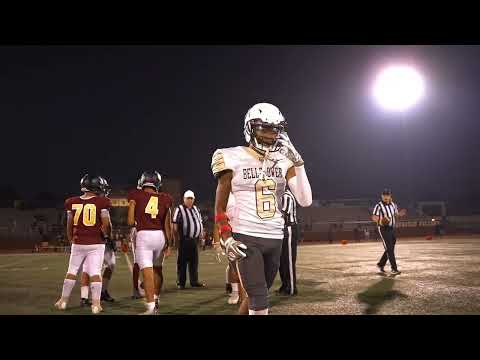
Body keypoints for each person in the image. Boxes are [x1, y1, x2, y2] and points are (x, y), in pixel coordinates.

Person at [211, 102, 312, 315]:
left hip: (275, 237)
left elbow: (305, 200)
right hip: (246, 235)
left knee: (259, 295)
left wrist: (299, 162)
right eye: (264, 128)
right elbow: (220, 206)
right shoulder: (230, 156)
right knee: (259, 297)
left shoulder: (284, 160)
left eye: (275, 130)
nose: (270, 135)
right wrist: (226, 236)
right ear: (250, 128)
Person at [55, 174, 112, 314]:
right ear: (96, 186)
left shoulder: (71, 201)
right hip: (96, 243)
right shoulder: (102, 202)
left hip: (78, 242)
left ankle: (63, 300)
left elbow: (68, 224)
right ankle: (96, 305)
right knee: (95, 273)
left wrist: (71, 239)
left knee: (72, 270)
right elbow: (106, 224)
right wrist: (106, 235)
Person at [127, 171, 173, 315]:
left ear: (142, 182)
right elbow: (168, 225)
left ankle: (151, 308)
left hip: (144, 236)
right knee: (158, 270)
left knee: (147, 273)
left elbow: (129, 221)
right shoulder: (165, 198)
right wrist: (169, 244)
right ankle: (156, 298)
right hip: (160, 236)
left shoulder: (135, 195)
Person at [79, 176, 117, 306]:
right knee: (94, 267)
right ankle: (89, 296)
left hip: (84, 238)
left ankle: (91, 295)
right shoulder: (102, 202)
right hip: (98, 239)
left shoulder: (78, 201)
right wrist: (109, 237)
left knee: (106, 265)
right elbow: (107, 224)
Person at [172, 190, 206, 289]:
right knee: (182, 262)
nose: (190, 200)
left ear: (194, 199)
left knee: (194, 262)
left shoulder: (196, 209)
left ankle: (194, 281)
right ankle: (181, 282)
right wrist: (176, 239)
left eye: (191, 198)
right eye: (188, 198)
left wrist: (201, 235)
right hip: (184, 239)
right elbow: (174, 224)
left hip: (194, 240)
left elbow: (200, 222)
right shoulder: (179, 209)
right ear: (184, 199)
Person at [372, 188, 407, 276]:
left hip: (392, 228)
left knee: (390, 248)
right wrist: (381, 221)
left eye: (387, 195)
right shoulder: (378, 206)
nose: (386, 197)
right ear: (382, 196)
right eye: (384, 195)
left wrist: (399, 214)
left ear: (390, 196)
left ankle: (381, 264)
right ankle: (394, 269)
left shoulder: (393, 205)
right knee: (390, 249)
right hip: (383, 229)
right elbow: (374, 217)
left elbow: (395, 214)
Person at [277, 187, 299, 296]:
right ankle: (284, 285)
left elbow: (283, 215)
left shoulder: (286, 196)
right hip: (282, 229)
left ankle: (291, 288)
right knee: (282, 260)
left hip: (289, 228)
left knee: (289, 260)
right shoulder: (281, 195)